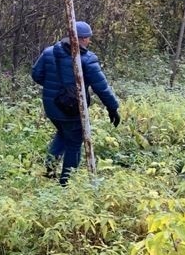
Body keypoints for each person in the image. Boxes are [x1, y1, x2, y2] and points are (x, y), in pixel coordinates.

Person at [31, 20, 120, 185]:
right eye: (88, 38)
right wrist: (113, 108)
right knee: (74, 143)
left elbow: (36, 75)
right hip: (72, 109)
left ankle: (50, 169)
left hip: (51, 107)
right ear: (83, 39)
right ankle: (66, 182)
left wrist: (55, 88)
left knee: (63, 133)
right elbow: (101, 87)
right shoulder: (86, 59)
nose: (89, 41)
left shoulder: (49, 52)